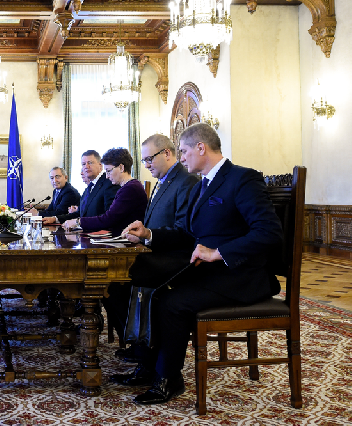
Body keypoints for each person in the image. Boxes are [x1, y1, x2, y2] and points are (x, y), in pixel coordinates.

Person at [118, 123, 283, 405]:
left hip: (239, 275)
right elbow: (186, 234)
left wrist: (219, 252)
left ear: (201, 147)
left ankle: (168, 379)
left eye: (183, 151)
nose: (181, 158)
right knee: (137, 277)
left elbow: (269, 232)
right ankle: (147, 365)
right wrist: (148, 234)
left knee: (170, 301)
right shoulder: (201, 185)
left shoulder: (243, 178)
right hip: (206, 270)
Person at [108, 134, 198, 365]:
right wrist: (142, 237)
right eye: (144, 161)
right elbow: (154, 225)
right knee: (112, 278)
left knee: (118, 279)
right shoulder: (163, 180)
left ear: (167, 153)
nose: (146, 165)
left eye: (149, 159)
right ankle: (139, 345)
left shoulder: (186, 181)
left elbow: (185, 232)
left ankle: (145, 352)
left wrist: (148, 235)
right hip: (157, 252)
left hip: (178, 259)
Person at [62, 148, 147, 236]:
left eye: (109, 171)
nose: (107, 176)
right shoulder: (128, 187)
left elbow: (109, 219)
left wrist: (78, 222)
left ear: (121, 168)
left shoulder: (131, 188)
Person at [43, 150, 118, 225]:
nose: (86, 167)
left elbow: (109, 217)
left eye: (90, 163)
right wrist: (55, 219)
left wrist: (78, 222)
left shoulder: (109, 183)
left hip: (100, 232)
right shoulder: (89, 187)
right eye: (83, 164)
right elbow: (79, 214)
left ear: (100, 165)